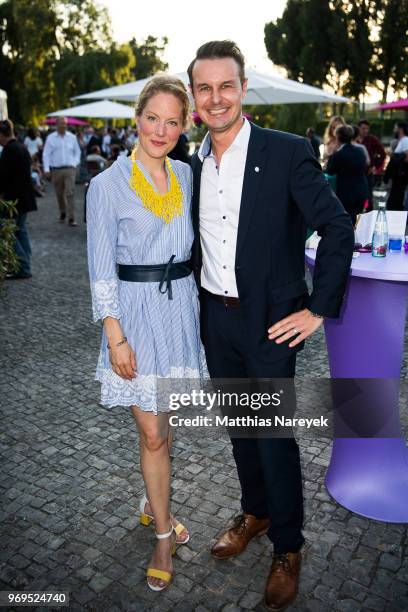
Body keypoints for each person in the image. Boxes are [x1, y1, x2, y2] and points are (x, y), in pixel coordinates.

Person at [188, 40, 354, 611]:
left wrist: (317, 309)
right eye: (204, 87)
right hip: (216, 318)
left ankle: (288, 545)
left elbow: (336, 226)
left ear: (242, 89)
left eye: (226, 85)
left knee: (275, 437)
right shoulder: (191, 166)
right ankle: (254, 513)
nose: (216, 97)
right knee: (239, 427)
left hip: (271, 325)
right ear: (193, 97)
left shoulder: (285, 151)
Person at [86, 75, 206, 593]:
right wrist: (115, 336)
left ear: (184, 127)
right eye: (152, 118)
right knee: (155, 432)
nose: (161, 130)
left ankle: (150, 500)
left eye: (172, 121)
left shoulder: (187, 174)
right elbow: (99, 267)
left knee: (162, 424)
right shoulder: (107, 185)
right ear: (137, 118)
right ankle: (162, 533)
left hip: (181, 311)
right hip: (133, 317)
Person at [0, 119, 37, 279]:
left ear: (2, 134)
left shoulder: (9, 150)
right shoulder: (22, 147)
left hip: (13, 201)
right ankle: (25, 265)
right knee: (21, 231)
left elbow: (3, 177)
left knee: (10, 233)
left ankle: (23, 266)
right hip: (24, 198)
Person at [326, 125, 369, 226]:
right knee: (358, 222)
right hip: (361, 191)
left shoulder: (339, 154)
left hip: (347, 194)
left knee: (347, 222)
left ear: (338, 138)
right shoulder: (359, 151)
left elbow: (330, 170)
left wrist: (333, 153)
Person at [42, 117, 81, 226]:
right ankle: (63, 212)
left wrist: (74, 163)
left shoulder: (72, 137)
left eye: (65, 123)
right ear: (56, 125)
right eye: (61, 123)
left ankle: (72, 218)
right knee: (59, 194)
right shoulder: (51, 138)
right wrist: (46, 169)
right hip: (56, 170)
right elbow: (46, 154)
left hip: (69, 169)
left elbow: (77, 152)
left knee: (70, 192)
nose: (63, 125)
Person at [356, 119, 386, 206]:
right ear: (358, 128)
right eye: (363, 128)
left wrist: (375, 166)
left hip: (368, 172)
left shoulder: (372, 139)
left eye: (367, 128)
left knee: (368, 196)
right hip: (356, 172)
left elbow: (382, 154)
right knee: (357, 197)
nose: (365, 130)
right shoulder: (353, 139)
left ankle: (369, 214)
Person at [384, 122, 408, 211]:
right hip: (397, 178)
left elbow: (406, 158)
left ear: (400, 129)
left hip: (401, 177)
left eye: (395, 128)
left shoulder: (405, 140)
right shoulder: (401, 141)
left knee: (396, 201)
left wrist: (393, 154)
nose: (394, 130)